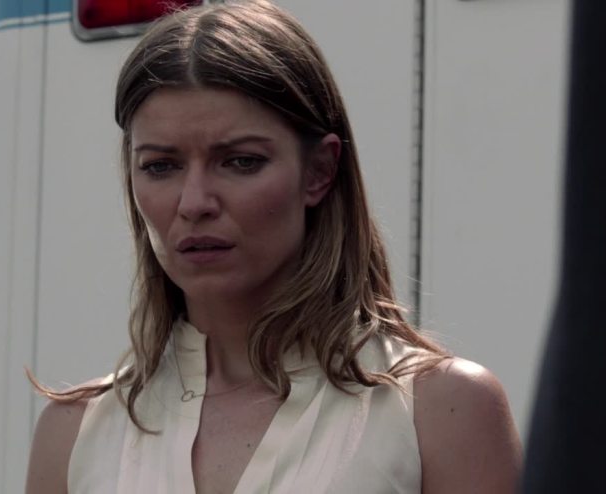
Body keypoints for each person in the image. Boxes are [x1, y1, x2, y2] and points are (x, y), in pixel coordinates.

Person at [26, 1, 521, 492]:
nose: (194, 203)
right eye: (160, 166)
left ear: (320, 171)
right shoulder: (74, 436)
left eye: (240, 161)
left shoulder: (440, 411)